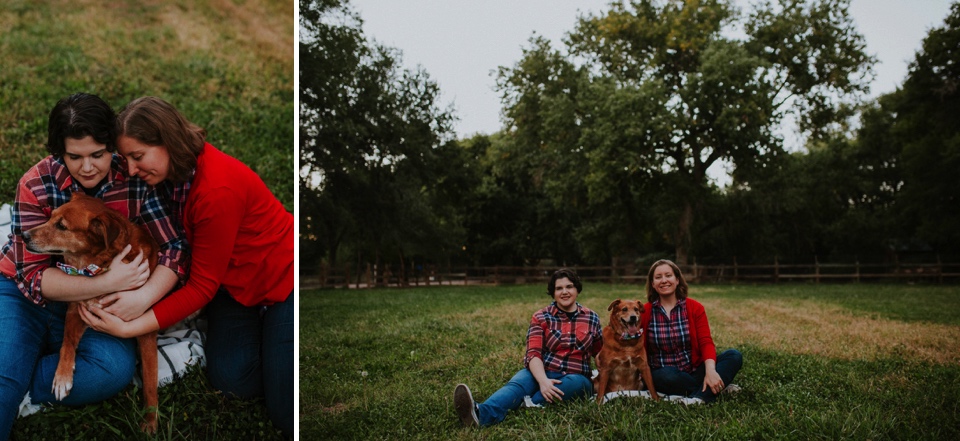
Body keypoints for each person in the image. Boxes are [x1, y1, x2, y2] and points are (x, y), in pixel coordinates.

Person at [79, 96, 294, 438]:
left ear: (167, 141)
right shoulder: (170, 172)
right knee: (232, 381)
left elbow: (200, 287)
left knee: (286, 412)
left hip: (281, 280)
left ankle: (281, 332)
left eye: (137, 157)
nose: (131, 170)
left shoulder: (215, 190)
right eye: (126, 159)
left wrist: (129, 327)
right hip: (233, 286)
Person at [0, 93, 187, 439]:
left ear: (111, 147)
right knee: (4, 379)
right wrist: (108, 282)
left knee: (111, 371)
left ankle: (20, 375)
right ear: (60, 153)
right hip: (25, 294)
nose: (88, 167)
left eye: (98, 155)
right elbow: (33, 276)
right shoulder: (35, 183)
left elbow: (175, 247)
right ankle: (12, 374)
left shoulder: (133, 178)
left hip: (97, 303)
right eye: (75, 156)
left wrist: (143, 297)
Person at [453, 268, 602, 427]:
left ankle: (528, 404)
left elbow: (600, 352)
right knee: (517, 385)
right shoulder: (541, 316)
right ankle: (480, 413)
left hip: (576, 376)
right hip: (542, 369)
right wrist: (543, 381)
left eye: (569, 286)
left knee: (573, 385)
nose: (564, 292)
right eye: (559, 288)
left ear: (577, 289)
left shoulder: (591, 317)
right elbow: (534, 353)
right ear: (553, 293)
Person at [644, 259, 743, 405]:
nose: (664, 280)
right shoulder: (645, 311)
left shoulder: (695, 308)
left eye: (668, 275)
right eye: (658, 277)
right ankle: (712, 390)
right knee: (666, 376)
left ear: (677, 280)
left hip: (694, 371)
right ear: (653, 284)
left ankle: (698, 397)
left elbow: (706, 342)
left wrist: (710, 371)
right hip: (664, 374)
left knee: (733, 356)